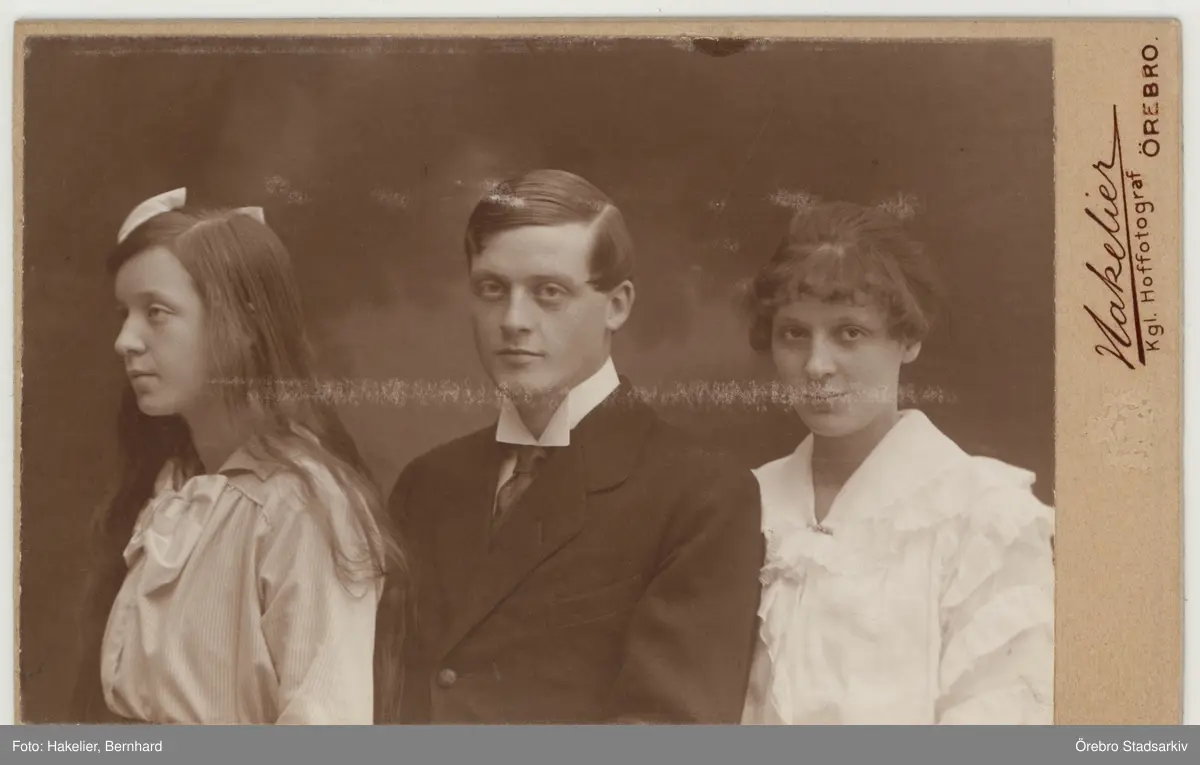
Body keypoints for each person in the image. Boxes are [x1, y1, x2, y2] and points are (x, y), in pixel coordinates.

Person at [375, 169, 764, 724]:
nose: (514, 321)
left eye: (549, 293)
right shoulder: (427, 484)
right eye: (492, 289)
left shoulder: (700, 496)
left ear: (617, 305)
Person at [70, 188, 409, 724]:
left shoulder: (301, 507)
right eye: (125, 313)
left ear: (244, 325)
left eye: (156, 312)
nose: (125, 340)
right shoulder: (173, 491)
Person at [739, 198, 1054, 725]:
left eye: (850, 333)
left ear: (908, 339)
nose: (816, 365)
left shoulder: (983, 518)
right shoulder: (744, 504)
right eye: (794, 333)